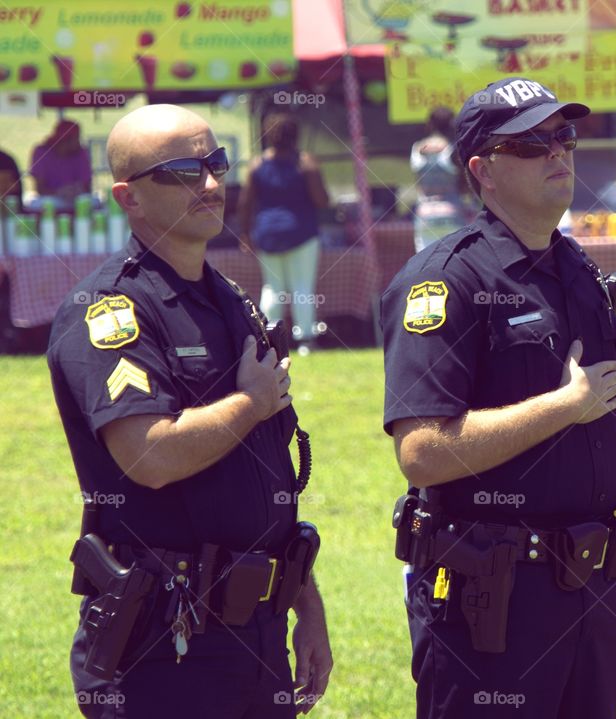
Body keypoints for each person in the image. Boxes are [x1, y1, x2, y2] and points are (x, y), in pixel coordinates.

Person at [381, 77, 616, 719]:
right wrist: (562, 407)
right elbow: (423, 453)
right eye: (532, 143)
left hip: (597, 591)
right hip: (494, 604)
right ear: (482, 170)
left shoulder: (578, 272)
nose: (557, 154)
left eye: (563, 136)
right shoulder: (443, 280)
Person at [47, 104, 332, 718]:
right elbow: (150, 454)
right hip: (158, 645)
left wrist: (306, 606)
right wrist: (250, 402)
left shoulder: (231, 302)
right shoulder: (109, 311)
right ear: (129, 198)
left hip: (255, 634)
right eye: (180, 172)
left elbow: (270, 479)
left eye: (215, 163)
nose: (208, 183)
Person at [238, 112, 329, 351]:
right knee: (302, 287)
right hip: (301, 232)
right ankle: (306, 340)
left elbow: (245, 203)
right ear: (295, 135)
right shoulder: (305, 163)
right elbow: (321, 200)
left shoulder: (256, 164)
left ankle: (265, 340)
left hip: (267, 234)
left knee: (273, 288)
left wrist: (245, 234)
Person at [410, 106, 469, 253]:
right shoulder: (454, 149)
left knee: (425, 263)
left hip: (425, 213)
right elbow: (464, 184)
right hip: (452, 211)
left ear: (430, 124)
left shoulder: (417, 147)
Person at [30, 119, 92, 202]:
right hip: (49, 204)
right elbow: (40, 189)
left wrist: (76, 190)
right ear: (67, 139)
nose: (79, 142)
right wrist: (59, 193)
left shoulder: (81, 153)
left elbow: (86, 187)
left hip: (76, 204)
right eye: (77, 137)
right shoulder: (41, 152)